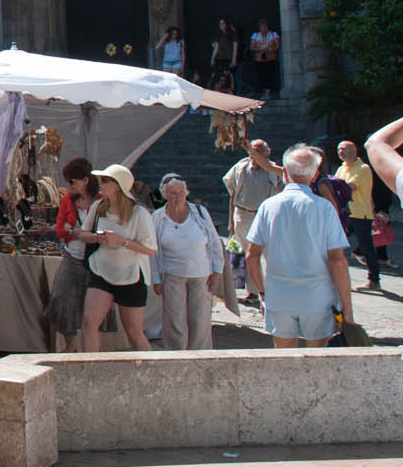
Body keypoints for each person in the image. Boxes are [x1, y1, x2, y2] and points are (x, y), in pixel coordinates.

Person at [245, 145, 354, 349]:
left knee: (284, 362)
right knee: (316, 361)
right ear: (314, 175)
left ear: (285, 172)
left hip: (279, 295)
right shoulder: (324, 208)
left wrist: (262, 292)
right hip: (317, 296)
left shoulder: (268, 206)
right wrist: (347, 308)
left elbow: (252, 255)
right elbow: (338, 260)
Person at [79, 165, 157, 352]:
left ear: (118, 185)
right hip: (101, 270)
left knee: (134, 332)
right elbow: (82, 234)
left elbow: (150, 249)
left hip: (130, 275)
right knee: (89, 322)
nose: (100, 184)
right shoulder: (98, 207)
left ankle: (153, 373)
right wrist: (99, 238)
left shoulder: (139, 213)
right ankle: (91, 373)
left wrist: (121, 241)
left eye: (105, 181)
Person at [150, 174, 226, 351]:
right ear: (165, 195)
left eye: (181, 193)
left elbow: (214, 242)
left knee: (200, 320)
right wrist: (156, 279)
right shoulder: (158, 217)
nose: (178, 197)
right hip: (172, 273)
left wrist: (217, 271)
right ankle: (177, 356)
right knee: (174, 320)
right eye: (173, 193)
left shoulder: (199, 212)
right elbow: (152, 251)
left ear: (186, 193)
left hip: (200, 273)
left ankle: (200, 356)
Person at [47, 157, 101, 351]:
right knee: (61, 297)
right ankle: (70, 344)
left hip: (94, 259)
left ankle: (91, 348)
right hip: (72, 255)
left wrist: (80, 232)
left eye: (72, 181)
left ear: (85, 180)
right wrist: (75, 233)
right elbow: (60, 229)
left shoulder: (100, 201)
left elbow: (103, 231)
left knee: (92, 305)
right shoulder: (68, 200)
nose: (69, 185)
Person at [334, 140, 383, 293]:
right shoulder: (341, 169)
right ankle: (336, 277)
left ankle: (374, 280)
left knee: (367, 248)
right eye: (338, 149)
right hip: (345, 213)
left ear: (354, 150)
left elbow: (348, 187)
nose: (340, 152)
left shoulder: (363, 168)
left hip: (360, 213)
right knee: (335, 244)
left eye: (344, 149)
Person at [245, 17, 279, 99]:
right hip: (259, 59)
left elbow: (277, 46)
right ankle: (262, 92)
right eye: (262, 26)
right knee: (261, 76)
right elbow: (252, 47)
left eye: (265, 26)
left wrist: (269, 49)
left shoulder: (273, 35)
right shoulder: (255, 35)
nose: (263, 28)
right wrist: (260, 49)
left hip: (270, 58)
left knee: (269, 75)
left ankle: (268, 92)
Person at [208, 18, 241, 86]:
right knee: (219, 75)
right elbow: (216, 47)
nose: (221, 25)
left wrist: (234, 59)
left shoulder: (232, 34)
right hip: (220, 58)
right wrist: (212, 58)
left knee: (230, 75)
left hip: (229, 57)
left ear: (226, 24)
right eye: (220, 24)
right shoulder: (218, 35)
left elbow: (235, 47)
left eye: (223, 23)